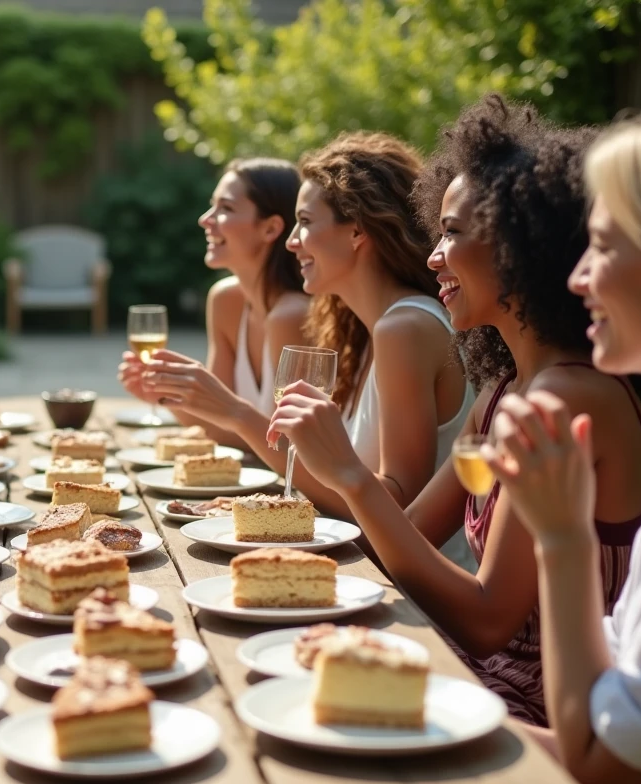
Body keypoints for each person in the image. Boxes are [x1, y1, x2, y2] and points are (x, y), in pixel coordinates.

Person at [264, 96, 641, 727]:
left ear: (520, 245)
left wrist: (350, 476)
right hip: (492, 671)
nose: (432, 256)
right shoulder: (507, 388)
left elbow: (485, 619)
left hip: (546, 701)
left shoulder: (568, 397)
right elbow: (405, 538)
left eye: (452, 232)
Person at [483, 105, 641, 784]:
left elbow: (599, 771)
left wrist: (562, 537)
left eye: (603, 247)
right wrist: (422, 707)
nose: (577, 278)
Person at [144, 133, 474, 523]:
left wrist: (238, 414)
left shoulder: (405, 327)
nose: (291, 243)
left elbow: (398, 509)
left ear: (356, 231)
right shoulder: (356, 328)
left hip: (406, 582)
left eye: (303, 223)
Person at [116, 158, 311, 448]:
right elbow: (221, 426)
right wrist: (166, 397)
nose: (205, 219)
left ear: (270, 228)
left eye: (226, 208)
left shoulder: (292, 314)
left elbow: (283, 447)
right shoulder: (225, 300)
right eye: (212, 205)